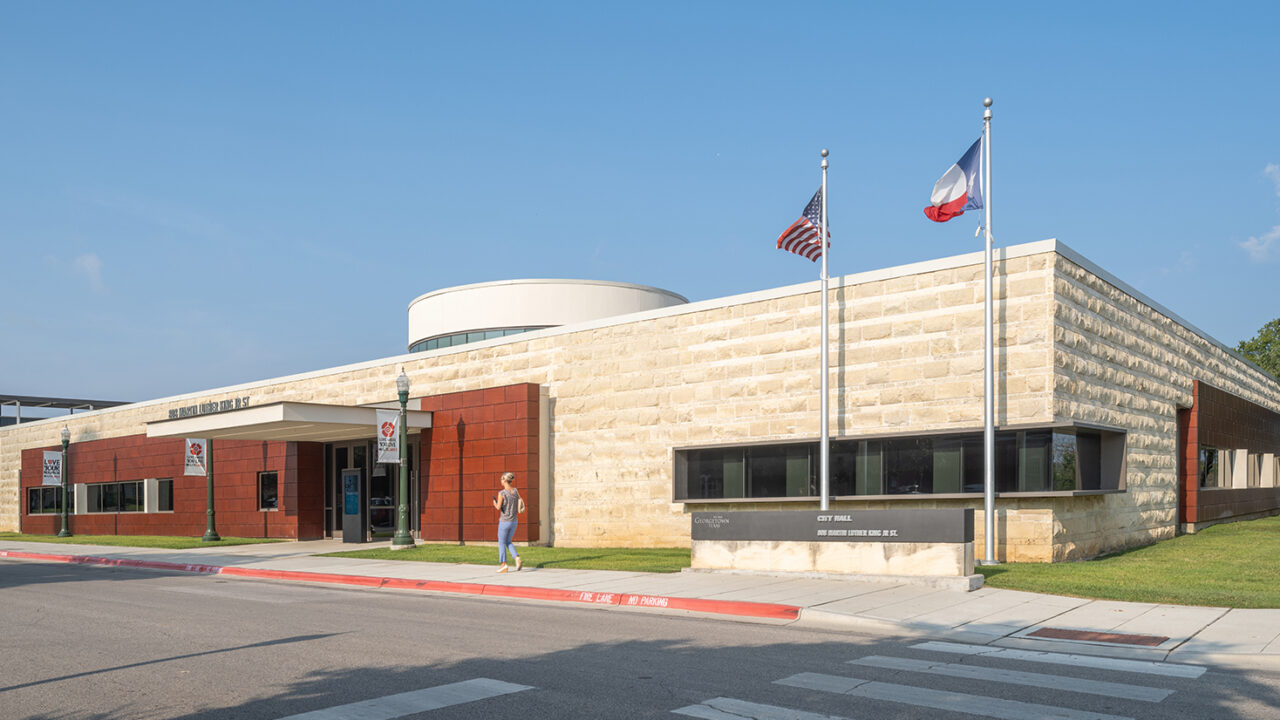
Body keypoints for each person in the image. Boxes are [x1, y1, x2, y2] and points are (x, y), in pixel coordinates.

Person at [492, 471, 525, 572]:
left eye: (501, 479)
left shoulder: (501, 493)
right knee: (508, 541)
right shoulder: (515, 491)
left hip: (504, 521)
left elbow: (498, 507)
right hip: (514, 521)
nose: (501, 481)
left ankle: (503, 564)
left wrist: (494, 503)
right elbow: (519, 500)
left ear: (505, 480)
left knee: (501, 542)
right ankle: (517, 558)